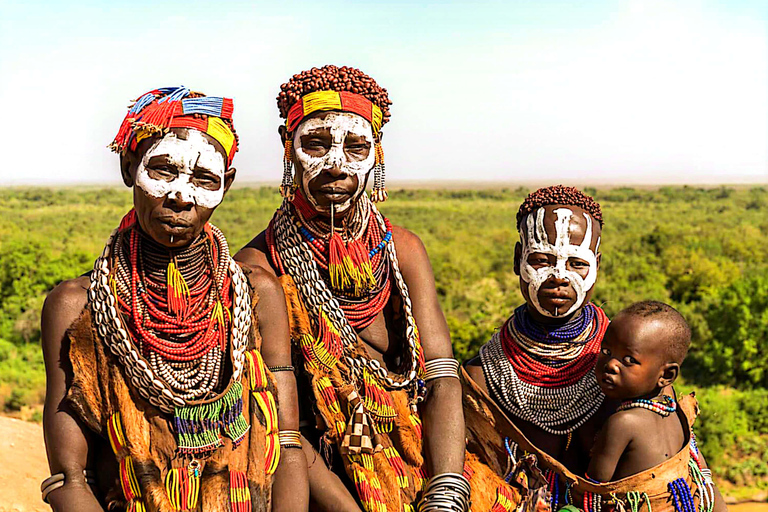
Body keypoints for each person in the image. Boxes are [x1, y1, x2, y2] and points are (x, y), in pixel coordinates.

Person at [237, 65, 517, 512]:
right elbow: (281, 426)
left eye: (356, 147)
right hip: (323, 476)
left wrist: (446, 489)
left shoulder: (400, 248)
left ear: (377, 153)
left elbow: (441, 375)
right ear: (287, 149)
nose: (336, 166)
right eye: (315, 144)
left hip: (424, 452)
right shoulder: (258, 269)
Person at [41, 86, 308, 512]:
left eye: (204, 179)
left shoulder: (257, 293)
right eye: (164, 171)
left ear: (228, 185)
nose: (182, 196)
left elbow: (288, 445)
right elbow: (69, 478)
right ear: (129, 167)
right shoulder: (78, 307)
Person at [465, 185, 609, 472]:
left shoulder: (624, 359)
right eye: (542, 260)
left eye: (577, 263)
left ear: (597, 266)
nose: (559, 276)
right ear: (518, 259)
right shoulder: (482, 376)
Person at [588, 301, 726, 512]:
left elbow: (592, 493)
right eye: (606, 351)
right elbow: (703, 476)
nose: (611, 364)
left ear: (667, 375)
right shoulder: (677, 414)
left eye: (628, 359)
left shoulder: (623, 423)